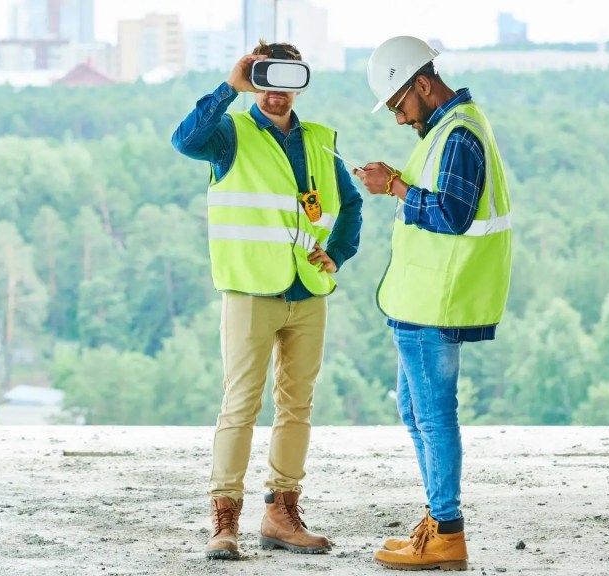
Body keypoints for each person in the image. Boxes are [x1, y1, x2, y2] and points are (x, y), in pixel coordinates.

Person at [171, 40, 363, 561]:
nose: (277, 94)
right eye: (266, 80)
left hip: (307, 293)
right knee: (240, 406)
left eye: (288, 81)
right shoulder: (230, 134)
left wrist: (338, 253)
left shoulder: (322, 141)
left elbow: (350, 203)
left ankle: (281, 513)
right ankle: (224, 520)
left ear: (301, 82)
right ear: (255, 79)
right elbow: (184, 141)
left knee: (296, 406)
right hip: (250, 292)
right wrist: (229, 88)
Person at [354, 36, 513, 571]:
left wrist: (395, 186)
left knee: (434, 416)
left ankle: (447, 532)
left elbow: (452, 215)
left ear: (423, 84)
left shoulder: (459, 134)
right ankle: (437, 523)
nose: (399, 118)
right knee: (416, 411)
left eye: (400, 104)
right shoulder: (447, 127)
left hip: (436, 302)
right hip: (422, 300)